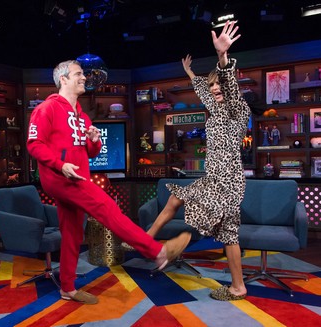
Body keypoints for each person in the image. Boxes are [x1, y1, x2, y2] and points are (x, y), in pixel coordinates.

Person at [27, 60, 191, 305]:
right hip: (60, 177)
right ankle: (157, 252)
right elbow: (34, 144)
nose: (84, 77)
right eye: (78, 74)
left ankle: (67, 288)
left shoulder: (81, 115)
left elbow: (91, 153)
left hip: (76, 176)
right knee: (108, 209)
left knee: (72, 232)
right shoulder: (47, 108)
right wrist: (60, 165)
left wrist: (94, 140)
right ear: (63, 79)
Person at [143, 20, 250, 301]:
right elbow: (204, 90)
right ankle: (238, 286)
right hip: (215, 179)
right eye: (213, 87)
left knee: (207, 221)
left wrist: (223, 58)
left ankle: (165, 245)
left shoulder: (238, 111)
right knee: (223, 230)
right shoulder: (214, 112)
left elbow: (230, 87)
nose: (215, 90)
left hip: (227, 183)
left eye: (219, 87)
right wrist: (190, 72)